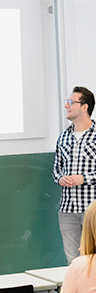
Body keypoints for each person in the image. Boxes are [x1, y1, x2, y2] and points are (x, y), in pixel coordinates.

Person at [53, 86, 96, 265]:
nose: (66, 106)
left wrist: (84, 178)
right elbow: (56, 170)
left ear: (84, 107)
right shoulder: (63, 137)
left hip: (92, 210)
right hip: (68, 210)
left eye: (71, 102)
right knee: (74, 263)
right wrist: (61, 178)